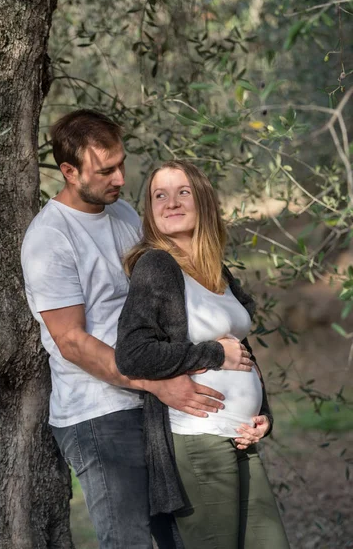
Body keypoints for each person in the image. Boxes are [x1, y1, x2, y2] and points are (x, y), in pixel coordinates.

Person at [21, 111, 226, 549]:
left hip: (152, 401)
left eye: (121, 164)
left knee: (182, 537)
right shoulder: (49, 238)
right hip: (98, 413)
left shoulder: (125, 214)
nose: (119, 177)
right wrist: (157, 384)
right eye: (105, 170)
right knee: (129, 541)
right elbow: (73, 342)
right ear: (69, 172)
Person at [116, 160, 290, 549]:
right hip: (198, 441)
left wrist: (265, 416)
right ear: (150, 210)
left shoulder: (217, 271)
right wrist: (214, 354)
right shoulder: (156, 266)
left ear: (204, 201)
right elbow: (133, 353)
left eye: (183, 192)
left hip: (241, 438)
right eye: (160, 195)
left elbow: (242, 354)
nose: (171, 202)